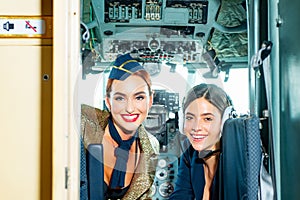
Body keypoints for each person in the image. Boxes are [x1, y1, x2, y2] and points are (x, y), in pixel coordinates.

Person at [80, 53, 159, 200]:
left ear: (150, 100)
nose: (130, 108)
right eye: (120, 98)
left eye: (139, 97)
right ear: (108, 102)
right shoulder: (82, 122)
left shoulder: (152, 146)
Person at [169, 83, 233, 200]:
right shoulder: (190, 154)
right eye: (189, 118)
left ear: (225, 121)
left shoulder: (236, 161)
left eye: (207, 119)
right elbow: (180, 196)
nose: (196, 127)